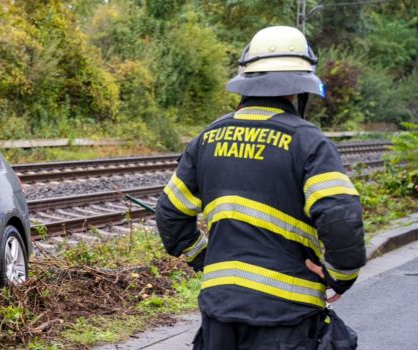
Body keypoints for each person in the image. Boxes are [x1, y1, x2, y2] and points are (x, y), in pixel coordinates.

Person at [154, 26, 366, 349]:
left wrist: (205, 258)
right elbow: (341, 216)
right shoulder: (309, 143)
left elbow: (169, 213)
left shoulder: (207, 139)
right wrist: (339, 275)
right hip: (286, 317)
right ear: (300, 88)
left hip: (219, 313)